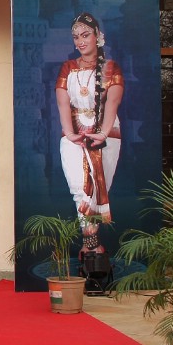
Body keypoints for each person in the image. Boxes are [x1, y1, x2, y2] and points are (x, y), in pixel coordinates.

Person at [54, 13, 124, 255]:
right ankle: (93, 245)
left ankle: (91, 247)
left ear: (98, 36)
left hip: (106, 135)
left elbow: (112, 104)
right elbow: (63, 104)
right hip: (75, 135)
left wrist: (102, 134)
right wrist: (69, 133)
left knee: (99, 186)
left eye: (85, 35)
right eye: (76, 37)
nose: (80, 41)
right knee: (79, 189)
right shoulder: (68, 67)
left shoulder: (110, 68)